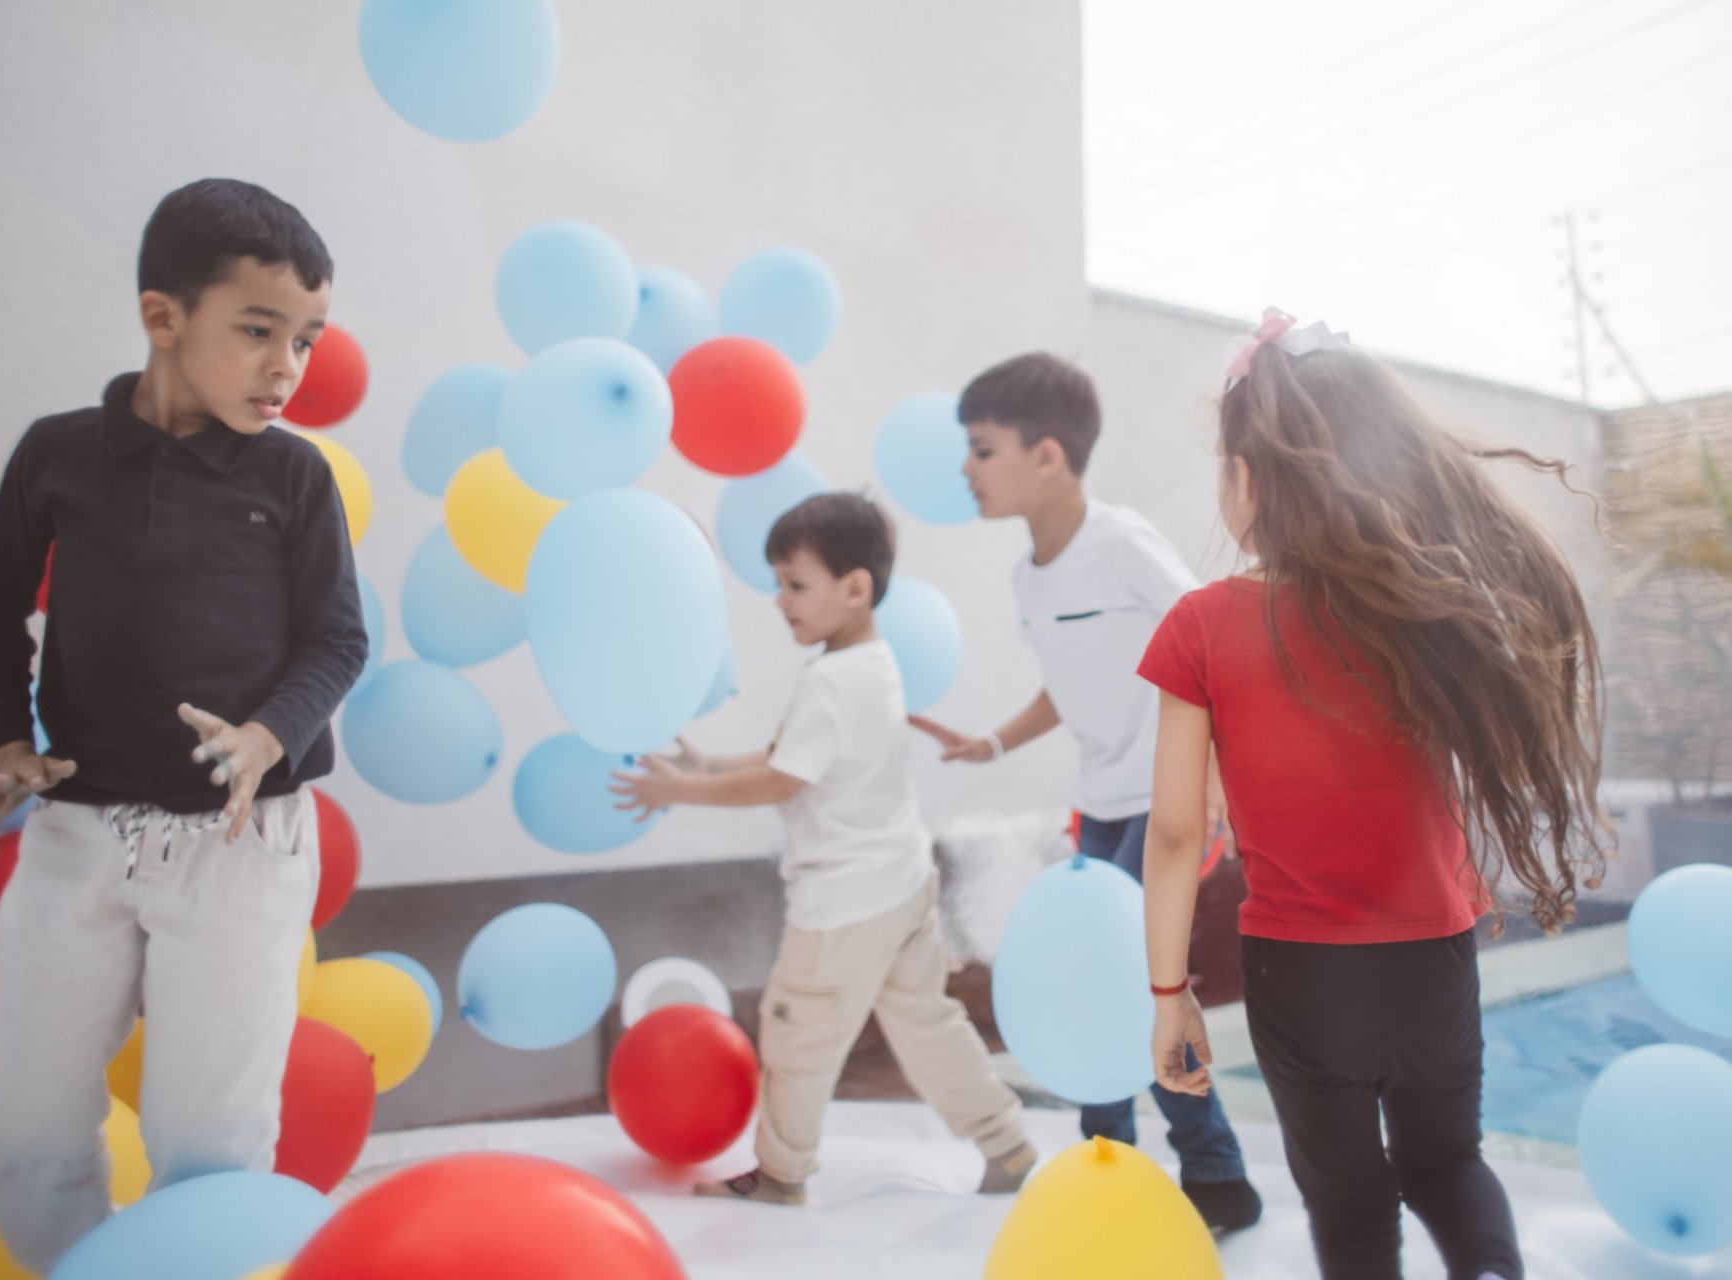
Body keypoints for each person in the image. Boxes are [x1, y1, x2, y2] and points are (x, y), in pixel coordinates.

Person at [1140, 309, 1611, 1279]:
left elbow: (1177, 831)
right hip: (1433, 953)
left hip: (1302, 976)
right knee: (1450, 1162)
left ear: (1249, 477)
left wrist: (1169, 994)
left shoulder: (1200, 627)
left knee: (1351, 1208)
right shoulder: (1425, 607)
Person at [0, 178, 366, 1269]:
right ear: (163, 317)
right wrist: (4, 738)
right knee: (16, 1143)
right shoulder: (57, 455)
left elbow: (338, 640)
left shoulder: (294, 475)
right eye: (259, 330)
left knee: (209, 1150)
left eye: (309, 339)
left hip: (240, 844)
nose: (289, 365)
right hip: (78, 833)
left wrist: (265, 736)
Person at [912, 351, 1260, 1233]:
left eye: (981, 449)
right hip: (1100, 804)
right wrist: (992, 741)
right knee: (1091, 985)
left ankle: (1218, 1179)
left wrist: (1213, 778)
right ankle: (1111, 1170)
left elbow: (1213, 642)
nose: (965, 469)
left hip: (1163, 802)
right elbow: (1071, 685)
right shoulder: (1029, 576)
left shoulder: (1122, 543)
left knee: (1135, 989)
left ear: (1048, 456)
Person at [611, 492, 1036, 1205]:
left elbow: (780, 780)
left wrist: (677, 792)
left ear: (855, 588)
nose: (780, 601)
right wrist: (707, 763)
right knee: (927, 1022)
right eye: (778, 583)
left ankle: (780, 1175)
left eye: (794, 584)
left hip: (847, 902)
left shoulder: (833, 682)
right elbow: (795, 756)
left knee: (796, 1036)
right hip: (900, 882)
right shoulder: (871, 663)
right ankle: (1009, 1145)